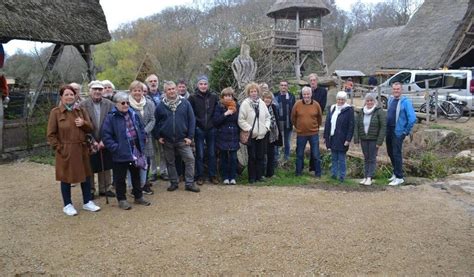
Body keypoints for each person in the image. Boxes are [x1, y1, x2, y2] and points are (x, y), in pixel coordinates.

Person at [47, 85, 100, 216]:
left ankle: (87, 201)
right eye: (67, 94)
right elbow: (51, 134)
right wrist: (59, 148)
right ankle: (67, 204)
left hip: (82, 149)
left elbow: (91, 128)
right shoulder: (56, 112)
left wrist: (84, 123)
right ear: (61, 97)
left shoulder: (81, 110)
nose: (70, 97)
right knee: (66, 177)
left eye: (72, 94)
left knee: (86, 176)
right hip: (66, 150)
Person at [102, 91, 151, 210]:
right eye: (123, 103)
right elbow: (106, 136)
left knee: (136, 175)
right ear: (116, 104)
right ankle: (122, 199)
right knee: (120, 178)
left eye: (127, 102)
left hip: (135, 150)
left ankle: (138, 196)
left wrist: (143, 140)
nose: (125, 105)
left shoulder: (133, 114)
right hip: (120, 152)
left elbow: (140, 128)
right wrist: (116, 148)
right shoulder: (111, 117)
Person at [153, 81, 200, 193]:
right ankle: (174, 182)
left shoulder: (185, 103)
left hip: (182, 139)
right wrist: (157, 136)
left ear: (177, 89)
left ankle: (189, 183)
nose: (172, 91)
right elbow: (155, 122)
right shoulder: (160, 106)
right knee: (170, 162)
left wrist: (190, 136)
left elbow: (192, 120)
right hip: (167, 140)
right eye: (169, 89)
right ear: (165, 92)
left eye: (173, 88)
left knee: (190, 159)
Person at [79, 80, 115, 198]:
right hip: (89, 140)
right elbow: (82, 125)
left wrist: (105, 140)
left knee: (105, 164)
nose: (97, 91)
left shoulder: (109, 104)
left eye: (100, 89)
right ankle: (90, 189)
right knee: (89, 166)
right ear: (90, 91)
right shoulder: (83, 105)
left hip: (105, 139)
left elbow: (112, 123)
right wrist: (92, 140)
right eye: (95, 89)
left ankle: (105, 188)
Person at [188, 75, 219, 185]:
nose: (203, 86)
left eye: (205, 84)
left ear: (208, 85)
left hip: (211, 128)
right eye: (201, 84)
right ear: (197, 85)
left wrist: (214, 123)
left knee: (212, 153)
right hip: (199, 128)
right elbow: (190, 114)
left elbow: (217, 111)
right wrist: (196, 125)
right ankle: (200, 175)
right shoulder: (192, 97)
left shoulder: (214, 97)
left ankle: (212, 175)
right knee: (199, 153)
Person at [238, 82, 271, 183]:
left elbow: (268, 117)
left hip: (262, 135)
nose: (253, 93)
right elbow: (241, 120)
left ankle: (259, 176)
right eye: (251, 91)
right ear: (248, 93)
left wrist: (266, 127)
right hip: (251, 135)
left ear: (258, 92)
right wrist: (249, 129)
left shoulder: (261, 103)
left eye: (255, 91)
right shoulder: (245, 104)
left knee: (260, 156)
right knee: (252, 157)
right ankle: (252, 177)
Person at [128, 80, 156, 195]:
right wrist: (138, 133)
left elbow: (152, 119)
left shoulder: (149, 103)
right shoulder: (127, 104)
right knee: (134, 162)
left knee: (146, 161)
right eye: (135, 90)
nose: (137, 93)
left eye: (139, 90)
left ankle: (144, 184)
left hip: (146, 137)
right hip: (132, 138)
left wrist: (144, 132)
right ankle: (133, 187)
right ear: (131, 91)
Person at [386, 82, 416, 186]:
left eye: (398, 89)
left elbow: (412, 118)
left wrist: (405, 131)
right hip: (389, 130)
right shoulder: (391, 99)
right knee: (390, 152)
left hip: (398, 131)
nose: (396, 91)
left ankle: (399, 177)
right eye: (394, 89)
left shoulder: (406, 102)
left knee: (396, 153)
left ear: (401, 90)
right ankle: (395, 172)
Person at [353, 94, 386, 186]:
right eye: (367, 101)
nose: (369, 102)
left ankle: (369, 177)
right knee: (366, 158)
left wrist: (380, 141)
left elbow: (383, 127)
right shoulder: (361, 112)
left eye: (371, 101)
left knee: (372, 158)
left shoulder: (379, 112)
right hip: (364, 138)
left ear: (374, 102)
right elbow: (357, 125)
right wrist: (356, 139)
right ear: (365, 102)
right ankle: (365, 176)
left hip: (374, 139)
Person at [291, 86, 323, 177]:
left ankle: (318, 173)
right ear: (302, 95)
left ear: (311, 94)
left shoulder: (316, 105)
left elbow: (319, 118)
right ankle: (298, 173)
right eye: (304, 94)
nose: (306, 96)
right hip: (301, 134)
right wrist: (298, 127)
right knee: (299, 154)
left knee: (316, 154)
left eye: (308, 94)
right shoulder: (297, 104)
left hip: (313, 133)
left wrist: (316, 127)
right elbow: (293, 117)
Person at [323, 91, 355, 182]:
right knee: (334, 157)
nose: (340, 101)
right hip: (333, 137)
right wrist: (326, 136)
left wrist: (348, 139)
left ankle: (342, 176)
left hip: (342, 138)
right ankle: (333, 174)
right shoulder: (332, 108)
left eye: (342, 100)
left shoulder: (349, 110)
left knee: (341, 158)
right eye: (339, 99)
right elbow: (328, 123)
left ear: (345, 100)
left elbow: (351, 126)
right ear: (336, 99)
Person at [212, 87, 240, 185]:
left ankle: (233, 177)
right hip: (222, 134)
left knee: (233, 157)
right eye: (226, 96)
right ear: (222, 97)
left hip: (233, 134)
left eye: (230, 96)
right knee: (223, 157)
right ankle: (225, 177)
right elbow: (216, 121)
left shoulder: (237, 106)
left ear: (232, 96)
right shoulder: (219, 106)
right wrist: (226, 114)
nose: (228, 98)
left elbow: (239, 120)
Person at [145, 74, 168, 181]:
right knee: (152, 151)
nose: (153, 83)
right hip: (150, 127)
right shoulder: (145, 96)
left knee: (163, 151)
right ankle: (153, 172)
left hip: (162, 127)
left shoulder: (163, 95)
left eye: (155, 81)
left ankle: (163, 171)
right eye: (151, 81)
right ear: (148, 83)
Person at [273, 80, 295, 164]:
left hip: (288, 123)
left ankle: (286, 158)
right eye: (282, 85)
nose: (283, 87)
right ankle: (276, 159)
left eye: (285, 85)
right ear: (279, 86)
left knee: (287, 142)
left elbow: (293, 110)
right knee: (277, 142)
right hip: (278, 124)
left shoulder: (291, 96)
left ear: (287, 87)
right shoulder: (275, 96)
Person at [261, 90, 281, 178]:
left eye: (269, 98)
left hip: (272, 134)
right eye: (266, 98)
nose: (267, 100)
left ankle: (270, 173)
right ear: (263, 99)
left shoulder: (274, 107)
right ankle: (262, 174)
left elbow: (276, 120)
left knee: (271, 154)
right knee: (263, 155)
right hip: (263, 133)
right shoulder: (260, 107)